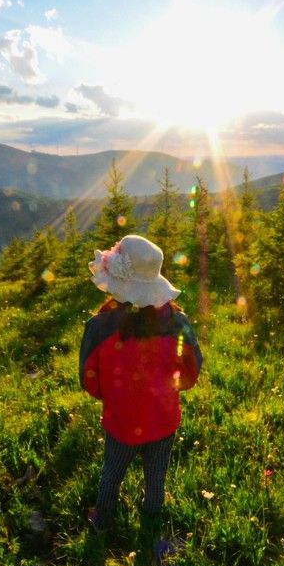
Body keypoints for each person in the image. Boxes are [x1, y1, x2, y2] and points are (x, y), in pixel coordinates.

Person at [79, 234, 202, 549]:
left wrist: (115, 397)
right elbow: (191, 372)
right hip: (163, 422)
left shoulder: (101, 328)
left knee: (112, 473)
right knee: (156, 476)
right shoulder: (179, 324)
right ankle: (152, 515)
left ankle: (102, 518)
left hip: (121, 422)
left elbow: (89, 379)